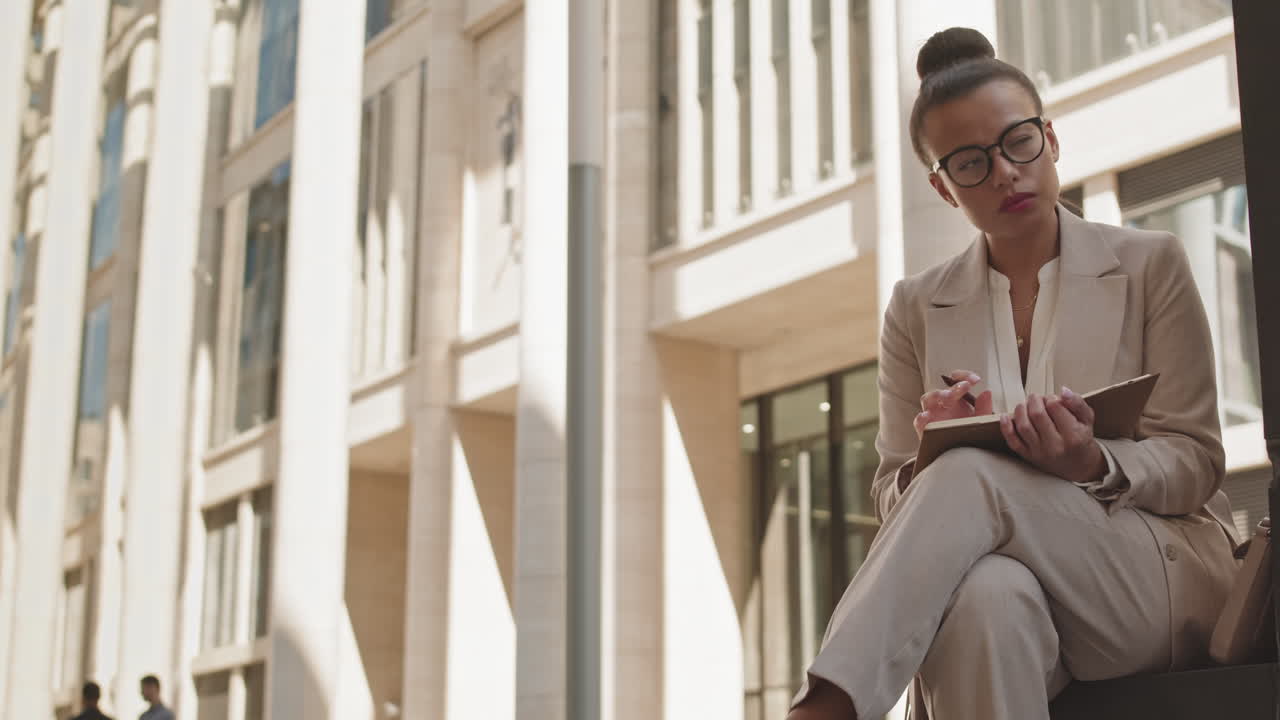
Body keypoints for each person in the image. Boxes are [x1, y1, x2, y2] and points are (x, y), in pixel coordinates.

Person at [785, 26, 1238, 720]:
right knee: (984, 601)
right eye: (969, 163)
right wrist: (923, 458)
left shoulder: (1152, 265)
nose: (1003, 173)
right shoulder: (916, 307)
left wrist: (1091, 459)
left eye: (1017, 143)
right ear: (942, 188)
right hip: (1020, 600)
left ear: (1049, 141)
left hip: (1149, 580)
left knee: (968, 476)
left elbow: (1197, 460)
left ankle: (828, 706)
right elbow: (889, 493)